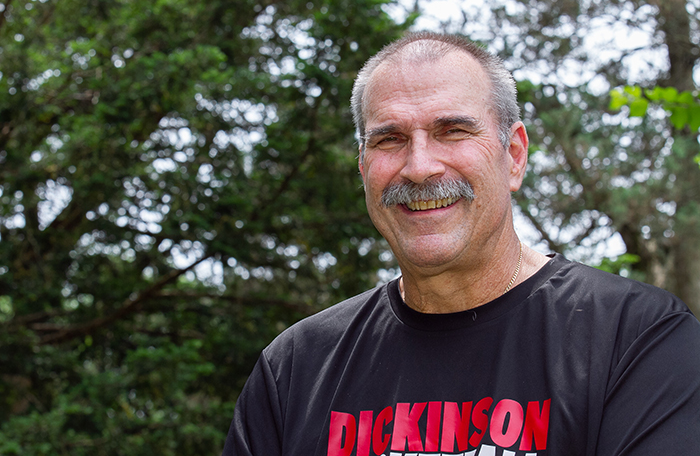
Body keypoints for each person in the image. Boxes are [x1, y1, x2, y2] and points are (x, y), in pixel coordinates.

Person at [222, 32, 700, 456]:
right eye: (389, 140)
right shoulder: (296, 370)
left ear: (513, 156)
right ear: (364, 168)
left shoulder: (636, 338)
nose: (420, 166)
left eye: (453, 131)